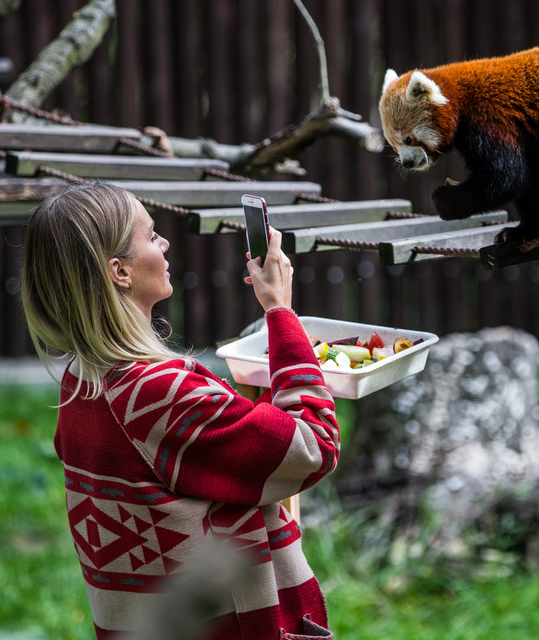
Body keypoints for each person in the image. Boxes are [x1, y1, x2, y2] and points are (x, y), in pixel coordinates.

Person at [20, 182, 339, 640]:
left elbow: (211, 460)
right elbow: (314, 446)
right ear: (119, 272)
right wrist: (281, 314)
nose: (165, 243)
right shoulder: (159, 392)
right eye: (151, 236)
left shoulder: (82, 382)